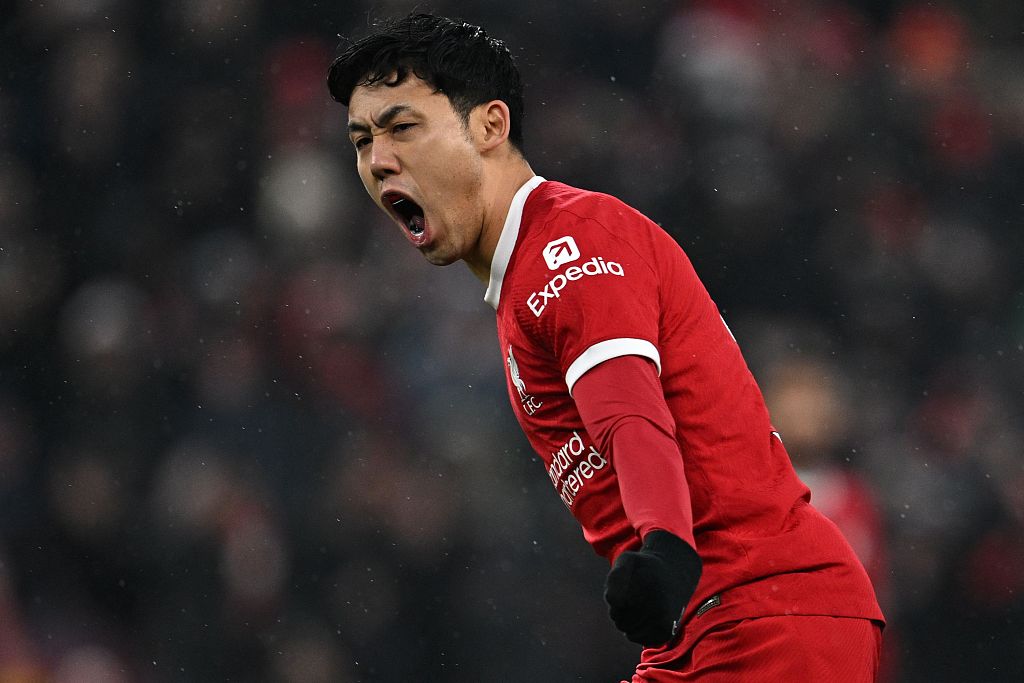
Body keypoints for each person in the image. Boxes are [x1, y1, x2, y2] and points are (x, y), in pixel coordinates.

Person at [327, 13, 884, 682]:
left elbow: (631, 417)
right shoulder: (524, 279)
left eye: (401, 127)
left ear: (490, 126)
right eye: (362, 140)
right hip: (708, 628)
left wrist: (666, 548)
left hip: (764, 617)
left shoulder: (571, 243)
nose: (378, 158)